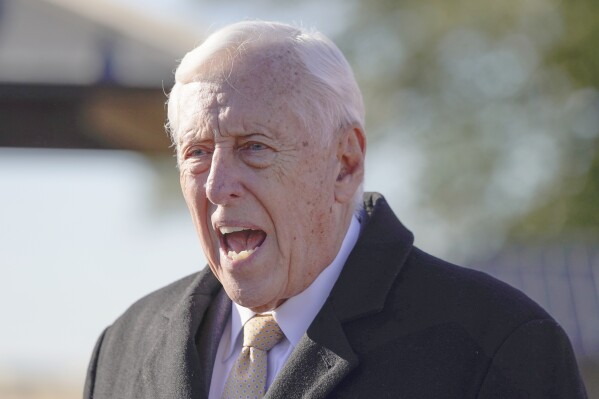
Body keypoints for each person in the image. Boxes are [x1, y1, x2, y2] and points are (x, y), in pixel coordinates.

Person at [83, 21, 587, 398]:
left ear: (345, 164)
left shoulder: (501, 346)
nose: (217, 186)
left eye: (254, 147)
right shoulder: (123, 348)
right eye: (197, 153)